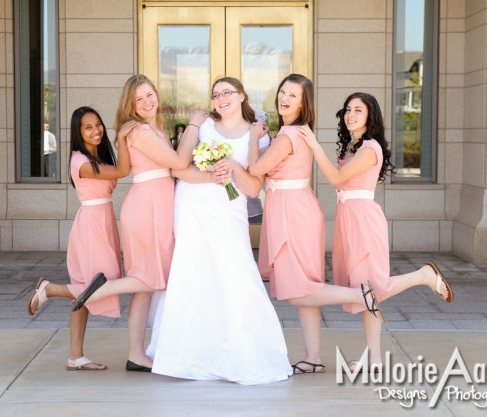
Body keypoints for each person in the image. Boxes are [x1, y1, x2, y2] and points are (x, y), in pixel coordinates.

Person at [145, 77, 293, 385]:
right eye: (215, 95)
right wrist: (211, 174)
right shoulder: (203, 126)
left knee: (235, 272)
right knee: (193, 271)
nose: (221, 98)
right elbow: (178, 168)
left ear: (241, 95)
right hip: (193, 206)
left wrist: (233, 168)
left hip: (230, 211)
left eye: (227, 92)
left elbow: (253, 187)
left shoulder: (258, 136)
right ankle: (186, 352)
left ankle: (241, 349)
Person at [299, 92, 454, 371]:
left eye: (358, 110)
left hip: (363, 220)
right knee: (363, 291)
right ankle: (375, 360)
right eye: (348, 109)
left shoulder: (369, 148)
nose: (351, 114)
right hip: (348, 219)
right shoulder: (351, 147)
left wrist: (313, 145)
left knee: (372, 288)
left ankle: (423, 275)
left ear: (371, 115)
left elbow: (335, 179)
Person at [247, 74, 384, 374]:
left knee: (298, 289)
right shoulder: (294, 132)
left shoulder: (289, 135)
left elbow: (255, 168)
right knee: (303, 289)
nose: (284, 97)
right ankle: (313, 358)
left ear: (303, 102)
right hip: (297, 207)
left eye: (293, 95)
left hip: (291, 210)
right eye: (282, 90)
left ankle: (359, 294)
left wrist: (253, 140)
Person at [70, 74, 204, 371]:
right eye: (138, 99)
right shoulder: (140, 131)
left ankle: (135, 354)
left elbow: (176, 166)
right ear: (130, 105)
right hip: (147, 206)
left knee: (147, 283)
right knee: (150, 276)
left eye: (149, 95)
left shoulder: (154, 129)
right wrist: (195, 124)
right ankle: (100, 291)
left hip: (154, 202)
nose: (146, 102)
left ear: (156, 95)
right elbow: (178, 164)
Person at [26, 106, 131, 371]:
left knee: (84, 288)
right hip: (92, 225)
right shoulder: (80, 162)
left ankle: (75, 356)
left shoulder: (94, 155)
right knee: (97, 286)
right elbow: (122, 171)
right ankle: (50, 289)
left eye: (98, 124)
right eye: (88, 127)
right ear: (78, 132)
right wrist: (123, 139)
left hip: (102, 220)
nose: (96, 130)